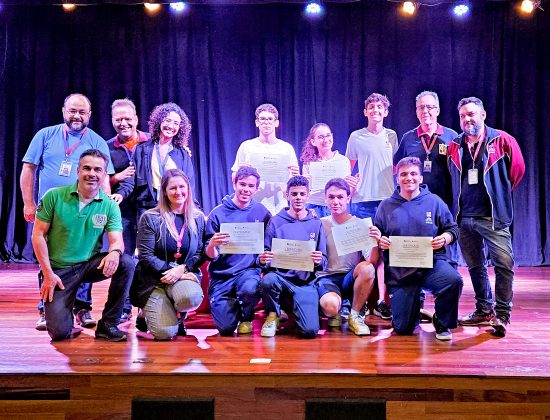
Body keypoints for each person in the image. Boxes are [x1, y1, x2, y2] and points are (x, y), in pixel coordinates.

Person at [20, 93, 114, 331]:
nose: (77, 116)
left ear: (89, 115)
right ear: (63, 111)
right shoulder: (45, 135)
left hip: (86, 209)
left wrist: (105, 208)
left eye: (82, 112)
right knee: (47, 256)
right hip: (51, 210)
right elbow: (28, 168)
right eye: (72, 111)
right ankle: (46, 307)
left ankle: (82, 308)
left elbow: (104, 178)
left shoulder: (97, 141)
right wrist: (28, 203)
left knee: (86, 256)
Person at [31, 149, 133, 342]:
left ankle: (108, 324)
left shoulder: (109, 205)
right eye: (87, 168)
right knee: (59, 333)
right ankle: (65, 314)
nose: (92, 174)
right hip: (59, 271)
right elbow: (38, 236)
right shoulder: (53, 196)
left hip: (88, 266)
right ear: (77, 170)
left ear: (104, 174)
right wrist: (47, 273)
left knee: (126, 263)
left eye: (98, 169)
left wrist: (114, 252)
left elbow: (117, 240)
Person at [448, 97, 525, 337]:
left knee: (504, 264)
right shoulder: (454, 145)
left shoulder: (502, 140)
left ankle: (502, 314)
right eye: (462, 116)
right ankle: (483, 309)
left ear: (483, 115)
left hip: (492, 217)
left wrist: (499, 196)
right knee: (475, 266)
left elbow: (517, 171)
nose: (467, 119)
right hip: (464, 217)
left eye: (471, 114)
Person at [375, 157, 463, 341]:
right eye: (404, 174)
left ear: (421, 178)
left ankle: (442, 322)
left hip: (431, 264)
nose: (409, 178)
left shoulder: (434, 202)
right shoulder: (385, 205)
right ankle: (414, 308)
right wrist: (381, 241)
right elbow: (378, 235)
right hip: (401, 271)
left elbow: (453, 229)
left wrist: (444, 238)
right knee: (403, 329)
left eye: (413, 173)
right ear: (397, 178)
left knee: (453, 280)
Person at [393, 91, 459, 322]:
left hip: (444, 206)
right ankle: (417, 307)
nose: (426, 111)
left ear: (438, 110)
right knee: (415, 256)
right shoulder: (408, 138)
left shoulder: (451, 137)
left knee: (446, 257)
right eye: (421, 107)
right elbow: (397, 168)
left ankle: (444, 313)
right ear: (416, 111)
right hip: (415, 208)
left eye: (430, 107)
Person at [130, 169, 205, 340]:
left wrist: (183, 270)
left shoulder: (198, 218)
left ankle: (176, 314)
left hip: (181, 276)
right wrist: (176, 272)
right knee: (165, 333)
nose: (178, 192)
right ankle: (143, 312)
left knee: (191, 297)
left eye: (182, 187)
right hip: (153, 280)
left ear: (188, 188)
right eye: (173, 188)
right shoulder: (150, 217)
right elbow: (146, 256)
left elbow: (199, 252)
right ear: (164, 191)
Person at [345, 93, 398, 320]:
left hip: (388, 202)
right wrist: (352, 183)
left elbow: (395, 166)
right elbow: (348, 168)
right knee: (367, 255)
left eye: (380, 107)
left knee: (387, 253)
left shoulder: (392, 136)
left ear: (385, 112)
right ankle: (366, 301)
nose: (376, 110)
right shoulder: (356, 137)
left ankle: (384, 302)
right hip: (362, 202)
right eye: (371, 107)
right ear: (365, 112)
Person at [205, 167, 271, 336]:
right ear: (234, 183)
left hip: (248, 272)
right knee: (226, 328)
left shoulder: (262, 212)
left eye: (251, 186)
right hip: (222, 276)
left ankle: (246, 317)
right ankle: (232, 305)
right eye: (242, 184)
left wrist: (263, 258)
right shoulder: (217, 213)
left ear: (256, 189)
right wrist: (212, 245)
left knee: (250, 288)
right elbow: (210, 255)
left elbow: (269, 242)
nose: (246, 189)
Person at [258, 176, 327, 339]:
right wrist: (263, 259)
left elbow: (324, 260)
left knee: (309, 331)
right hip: (279, 278)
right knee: (268, 280)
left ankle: (295, 310)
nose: (298, 198)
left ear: (308, 195)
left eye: (302, 194)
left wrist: (319, 260)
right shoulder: (275, 221)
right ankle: (273, 315)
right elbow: (265, 254)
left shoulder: (316, 224)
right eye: (294, 194)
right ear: (287, 195)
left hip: (304, 283)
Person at [317, 178, 380, 336]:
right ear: (325, 199)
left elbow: (372, 261)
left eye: (340, 197)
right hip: (326, 278)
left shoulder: (360, 224)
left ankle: (355, 315)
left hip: (349, 278)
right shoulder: (319, 224)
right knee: (330, 307)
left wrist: (375, 242)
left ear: (348, 198)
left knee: (367, 268)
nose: (336, 201)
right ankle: (337, 310)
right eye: (331, 197)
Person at [107, 98, 150, 323]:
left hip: (148, 209)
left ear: (136, 119)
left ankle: (146, 306)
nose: (123, 123)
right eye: (118, 119)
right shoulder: (107, 147)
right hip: (121, 211)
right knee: (123, 259)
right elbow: (101, 180)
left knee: (148, 258)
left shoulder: (151, 142)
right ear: (112, 121)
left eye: (127, 118)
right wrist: (116, 178)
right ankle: (123, 308)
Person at [115, 102, 196, 219]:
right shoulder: (141, 149)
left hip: (173, 210)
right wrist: (120, 194)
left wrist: (194, 211)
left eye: (176, 123)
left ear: (180, 128)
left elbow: (189, 187)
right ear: (159, 121)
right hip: (147, 210)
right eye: (167, 120)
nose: (171, 126)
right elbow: (130, 179)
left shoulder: (183, 154)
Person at [231, 103, 299, 215]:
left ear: (276, 123)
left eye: (270, 119)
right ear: (257, 122)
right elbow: (234, 177)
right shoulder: (246, 146)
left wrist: (296, 175)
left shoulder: (287, 148)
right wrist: (240, 173)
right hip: (252, 203)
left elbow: (294, 183)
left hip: (279, 204)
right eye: (262, 119)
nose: (266, 122)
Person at [300, 123, 355, 218]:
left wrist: (353, 185)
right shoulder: (309, 163)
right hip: (314, 207)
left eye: (328, 135)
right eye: (321, 137)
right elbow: (305, 191)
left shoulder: (343, 161)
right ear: (313, 141)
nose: (326, 140)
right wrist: (303, 183)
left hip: (337, 206)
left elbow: (348, 191)